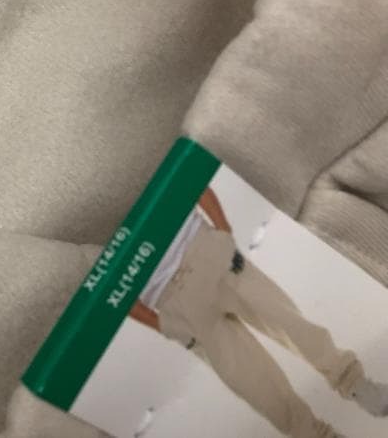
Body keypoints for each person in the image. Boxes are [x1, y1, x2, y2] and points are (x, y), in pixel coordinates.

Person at [128, 187, 388, 438]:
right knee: (253, 382)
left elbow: (189, 180)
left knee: (288, 321)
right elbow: (109, 292)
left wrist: (223, 232)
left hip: (202, 249)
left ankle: (356, 384)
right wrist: (163, 323)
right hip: (170, 300)